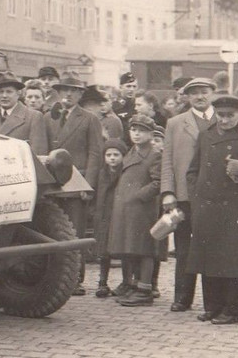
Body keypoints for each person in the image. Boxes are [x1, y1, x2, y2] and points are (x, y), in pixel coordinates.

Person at [186, 94, 238, 324]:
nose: (224, 120)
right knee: (208, 258)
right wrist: (196, 193)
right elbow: (192, 171)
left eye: (230, 115)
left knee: (232, 262)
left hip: (233, 210)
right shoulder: (205, 136)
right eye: (220, 115)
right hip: (207, 207)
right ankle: (212, 306)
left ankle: (233, 311)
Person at [159, 77, 217, 313]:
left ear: (212, 93)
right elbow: (167, 160)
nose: (200, 97)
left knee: (213, 247)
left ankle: (213, 301)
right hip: (184, 195)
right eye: (194, 93)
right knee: (184, 249)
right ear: (187, 97)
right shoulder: (175, 123)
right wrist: (168, 191)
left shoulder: (223, 120)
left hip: (214, 196)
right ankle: (182, 297)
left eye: (204, 92)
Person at [46, 75, 104, 294]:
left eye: (73, 91)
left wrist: (87, 185)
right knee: (53, 230)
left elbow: (95, 152)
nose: (67, 95)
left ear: (80, 94)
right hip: (52, 184)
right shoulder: (48, 117)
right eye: (63, 91)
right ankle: (55, 278)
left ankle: (75, 279)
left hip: (75, 182)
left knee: (75, 231)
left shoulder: (89, 119)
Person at [108, 114, 163, 307]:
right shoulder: (131, 151)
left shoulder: (154, 154)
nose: (137, 134)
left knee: (144, 248)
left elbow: (158, 182)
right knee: (130, 248)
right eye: (134, 130)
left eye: (142, 131)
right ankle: (133, 284)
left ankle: (145, 289)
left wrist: (140, 195)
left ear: (151, 134)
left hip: (142, 208)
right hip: (127, 208)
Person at [91, 139, 126, 297]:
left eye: (116, 155)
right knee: (103, 251)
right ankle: (102, 282)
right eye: (108, 155)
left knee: (124, 250)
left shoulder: (125, 173)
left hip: (119, 215)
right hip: (104, 215)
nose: (112, 158)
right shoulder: (101, 173)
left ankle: (126, 282)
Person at [0, 72, 48, 156]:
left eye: (9, 92)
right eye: (0, 92)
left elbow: (38, 153)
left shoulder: (33, 117)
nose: (4, 95)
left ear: (18, 93)